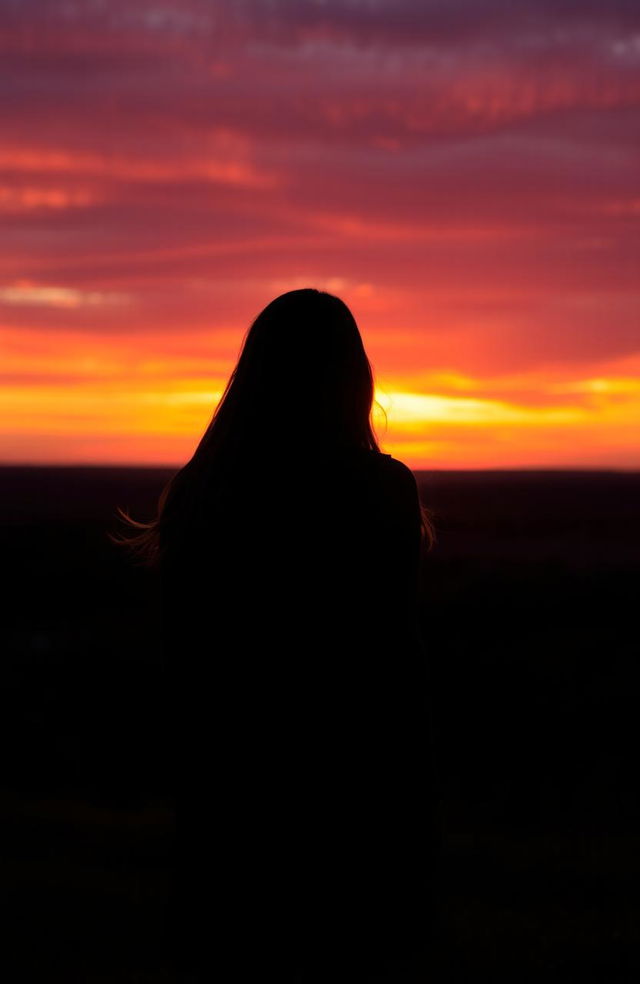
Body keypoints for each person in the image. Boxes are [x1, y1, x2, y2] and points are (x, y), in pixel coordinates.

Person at [113, 288, 442, 982]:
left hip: (228, 802)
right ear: (355, 377)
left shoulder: (202, 490)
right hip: (348, 801)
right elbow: (395, 660)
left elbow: (182, 664)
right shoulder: (381, 488)